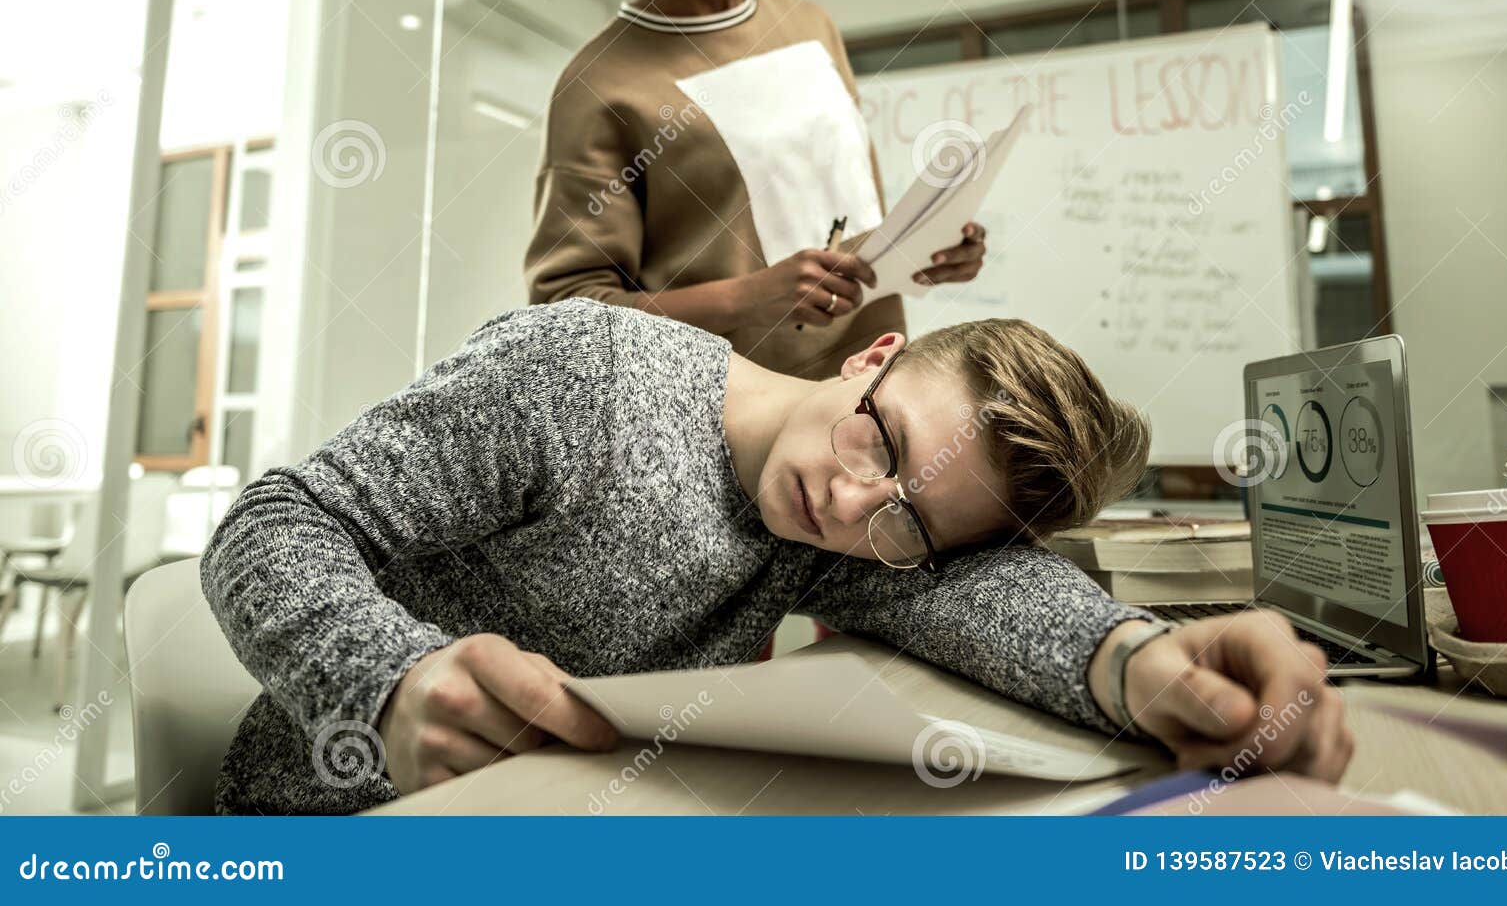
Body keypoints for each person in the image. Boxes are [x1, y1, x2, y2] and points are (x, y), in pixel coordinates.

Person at [200, 298, 1352, 814]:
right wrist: (391, 680)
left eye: (904, 519)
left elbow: (994, 597)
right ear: (873, 353)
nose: (850, 501)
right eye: (881, 435)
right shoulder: (581, 374)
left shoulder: (837, 538)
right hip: (334, 818)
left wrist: (1141, 664)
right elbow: (270, 522)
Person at [523, 0, 988, 381]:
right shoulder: (598, 83)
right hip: (715, 427)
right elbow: (563, 316)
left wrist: (915, 255)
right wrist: (750, 297)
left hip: (867, 392)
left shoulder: (809, 28)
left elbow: (838, 228)